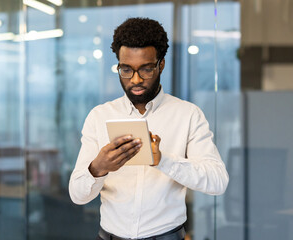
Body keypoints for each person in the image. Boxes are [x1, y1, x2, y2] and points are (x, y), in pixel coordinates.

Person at [69, 17, 229, 240]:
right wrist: (98, 167)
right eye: (126, 70)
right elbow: (78, 195)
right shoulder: (99, 116)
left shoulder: (188, 115)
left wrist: (163, 160)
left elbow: (217, 181)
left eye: (145, 69)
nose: (135, 80)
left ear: (160, 64)